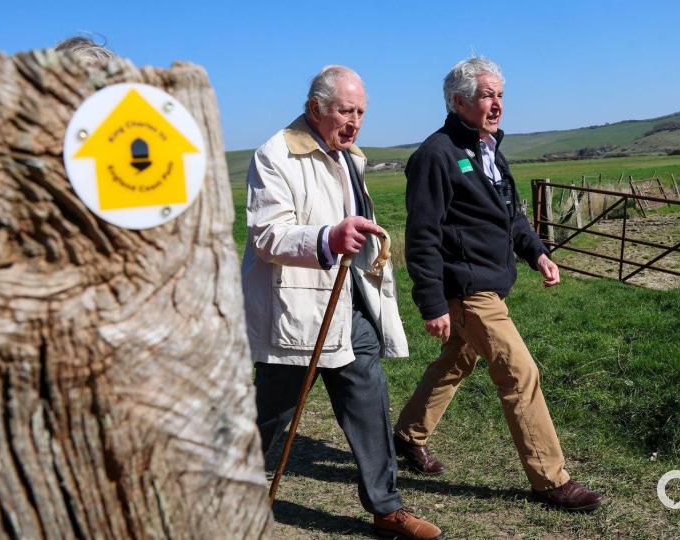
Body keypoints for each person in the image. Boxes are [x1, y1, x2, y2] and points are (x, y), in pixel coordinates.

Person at [392, 57, 605, 513]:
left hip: (491, 280)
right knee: (519, 371)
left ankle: (407, 437)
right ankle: (550, 479)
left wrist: (538, 253)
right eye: (487, 95)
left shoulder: (488, 149)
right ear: (458, 101)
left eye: (500, 95)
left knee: (456, 362)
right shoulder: (436, 155)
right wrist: (432, 303)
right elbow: (423, 234)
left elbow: (512, 216)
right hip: (468, 288)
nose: (496, 105)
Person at [242, 66, 443, 539]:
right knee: (270, 415)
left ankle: (386, 509)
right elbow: (267, 236)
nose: (354, 122)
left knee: (369, 406)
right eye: (344, 111)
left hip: (349, 305)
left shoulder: (350, 156)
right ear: (315, 108)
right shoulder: (276, 154)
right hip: (296, 312)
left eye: (361, 112)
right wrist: (328, 236)